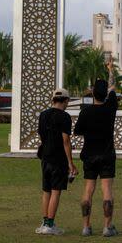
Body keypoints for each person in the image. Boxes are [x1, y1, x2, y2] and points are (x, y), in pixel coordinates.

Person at [74, 79, 119, 237]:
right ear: (105, 94)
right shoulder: (110, 108)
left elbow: (78, 131)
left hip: (89, 155)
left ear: (92, 93)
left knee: (88, 190)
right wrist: (111, 72)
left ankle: (86, 227)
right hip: (107, 154)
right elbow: (113, 90)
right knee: (107, 190)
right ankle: (107, 227)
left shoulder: (86, 111)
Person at [35, 87, 77, 235]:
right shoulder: (64, 117)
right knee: (56, 191)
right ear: (65, 101)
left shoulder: (43, 115)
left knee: (46, 191)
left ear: (53, 100)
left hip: (45, 157)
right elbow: (66, 141)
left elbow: (42, 135)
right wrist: (70, 163)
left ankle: (45, 222)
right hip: (58, 159)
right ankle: (50, 225)